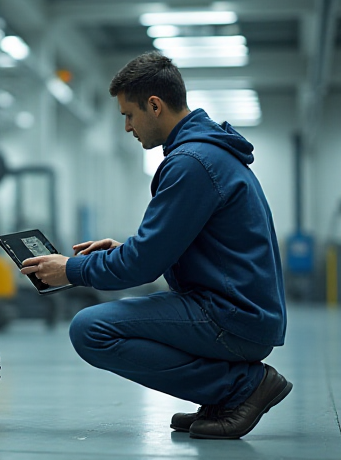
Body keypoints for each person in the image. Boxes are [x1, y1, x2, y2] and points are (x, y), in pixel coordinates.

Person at [20, 52, 290, 440]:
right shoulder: (209, 153)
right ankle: (223, 395)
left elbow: (143, 266)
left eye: (129, 115)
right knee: (104, 321)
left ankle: (240, 387)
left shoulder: (192, 162)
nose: (128, 127)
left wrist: (70, 270)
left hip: (232, 317)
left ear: (155, 105)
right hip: (242, 310)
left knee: (90, 329)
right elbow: (183, 245)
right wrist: (122, 248)